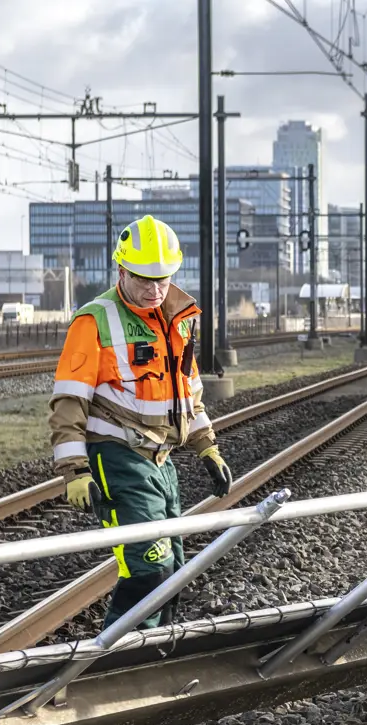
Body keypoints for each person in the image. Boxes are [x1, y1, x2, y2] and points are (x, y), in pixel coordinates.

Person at [49, 215, 233, 629]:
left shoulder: (177, 320)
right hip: (116, 457)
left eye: (163, 279)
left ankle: (154, 656)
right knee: (149, 570)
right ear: (121, 270)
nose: (154, 289)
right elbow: (69, 403)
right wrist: (74, 471)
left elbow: (188, 390)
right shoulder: (94, 321)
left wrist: (207, 445)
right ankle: (112, 663)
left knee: (174, 571)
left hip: (160, 460)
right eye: (143, 278)